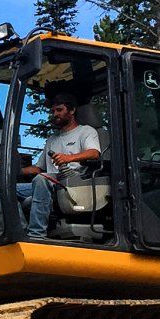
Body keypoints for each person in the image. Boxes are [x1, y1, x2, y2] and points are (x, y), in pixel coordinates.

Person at [16, 88, 102, 239]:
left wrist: (69, 158)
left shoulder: (86, 131)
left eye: (59, 110)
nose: (55, 114)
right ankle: (21, 231)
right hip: (50, 182)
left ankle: (36, 234)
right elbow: (38, 168)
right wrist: (11, 171)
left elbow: (94, 153)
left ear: (72, 110)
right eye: (53, 111)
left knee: (42, 179)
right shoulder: (52, 139)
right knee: (7, 190)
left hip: (74, 182)